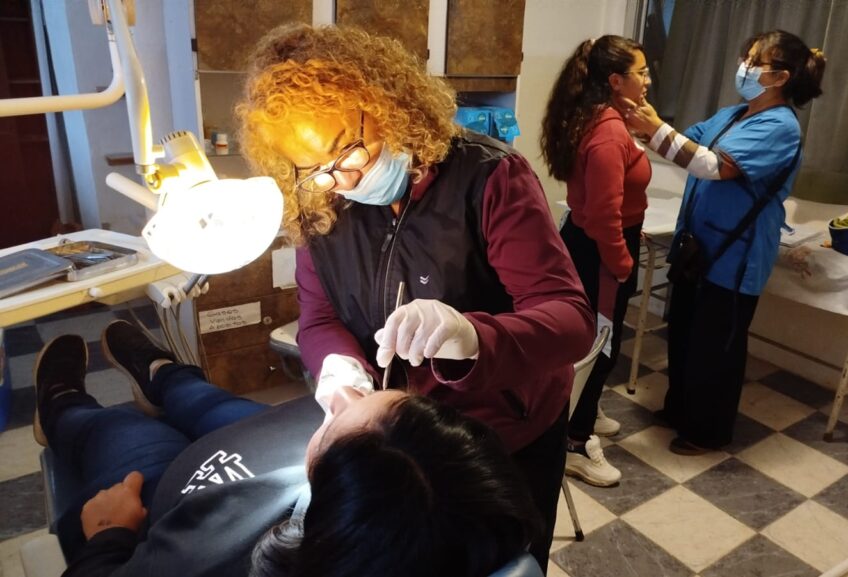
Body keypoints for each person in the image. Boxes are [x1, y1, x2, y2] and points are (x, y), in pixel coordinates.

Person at [234, 24, 594, 568]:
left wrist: (474, 338)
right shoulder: (320, 205)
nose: (343, 179)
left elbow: (571, 321)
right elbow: (319, 317)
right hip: (402, 450)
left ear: (389, 102)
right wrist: (338, 366)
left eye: (347, 149)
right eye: (315, 170)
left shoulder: (490, 178)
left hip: (500, 436)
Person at [34, 321, 540, 577]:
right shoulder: (446, 510)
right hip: (257, 454)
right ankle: (163, 374)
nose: (341, 396)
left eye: (338, 422)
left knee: (113, 428)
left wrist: (108, 538)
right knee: (201, 397)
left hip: (164, 495)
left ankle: (61, 404)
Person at [623, 30, 826, 455]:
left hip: (736, 255)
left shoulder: (780, 127)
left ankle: (708, 431)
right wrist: (647, 125)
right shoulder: (735, 115)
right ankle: (680, 409)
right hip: (699, 246)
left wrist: (654, 128)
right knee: (683, 332)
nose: (744, 67)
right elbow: (686, 144)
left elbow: (714, 166)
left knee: (715, 347)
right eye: (744, 57)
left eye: (754, 61)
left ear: (781, 77)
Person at [539, 36, 652, 487]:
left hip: (594, 243)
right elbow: (604, 215)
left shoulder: (598, 117)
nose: (648, 79)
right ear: (615, 80)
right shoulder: (608, 132)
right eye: (641, 72)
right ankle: (575, 443)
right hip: (601, 251)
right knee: (600, 347)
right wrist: (622, 264)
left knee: (593, 342)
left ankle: (586, 409)